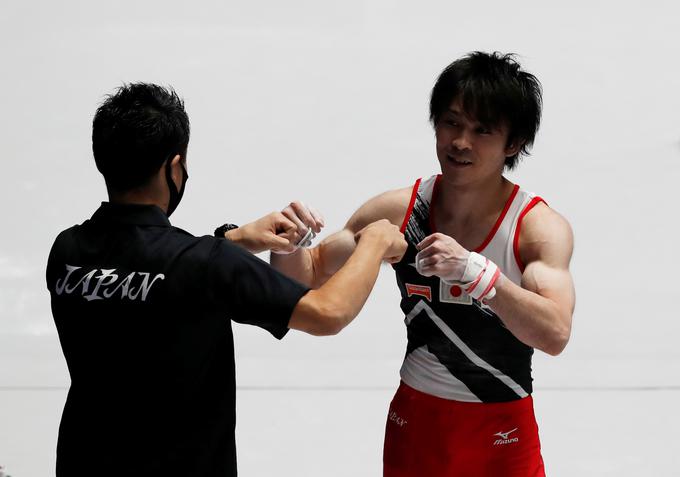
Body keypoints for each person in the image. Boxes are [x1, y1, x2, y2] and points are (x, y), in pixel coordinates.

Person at [45, 83, 406, 477]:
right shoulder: (206, 264)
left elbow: (155, 275)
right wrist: (373, 242)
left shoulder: (67, 252)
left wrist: (234, 239)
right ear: (175, 167)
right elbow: (327, 313)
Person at [271, 51, 575, 476]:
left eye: (481, 130)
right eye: (451, 122)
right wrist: (289, 244)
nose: (460, 142)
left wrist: (479, 275)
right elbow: (307, 278)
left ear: (514, 143)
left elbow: (555, 333)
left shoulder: (535, 229)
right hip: (417, 426)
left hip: (502, 436)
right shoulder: (398, 210)